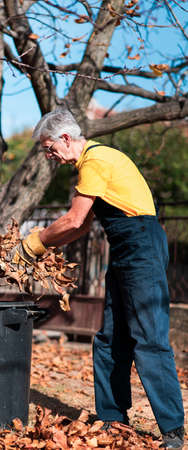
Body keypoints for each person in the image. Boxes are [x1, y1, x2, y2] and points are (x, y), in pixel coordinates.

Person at [21, 109, 185, 449]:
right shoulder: (95, 160)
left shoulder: (95, 160)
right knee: (110, 338)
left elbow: (73, 219)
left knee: (148, 338)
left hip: (140, 245)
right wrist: (44, 248)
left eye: (50, 148)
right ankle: (111, 418)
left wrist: (34, 242)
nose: (50, 156)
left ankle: (172, 430)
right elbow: (80, 227)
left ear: (66, 139)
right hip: (127, 247)